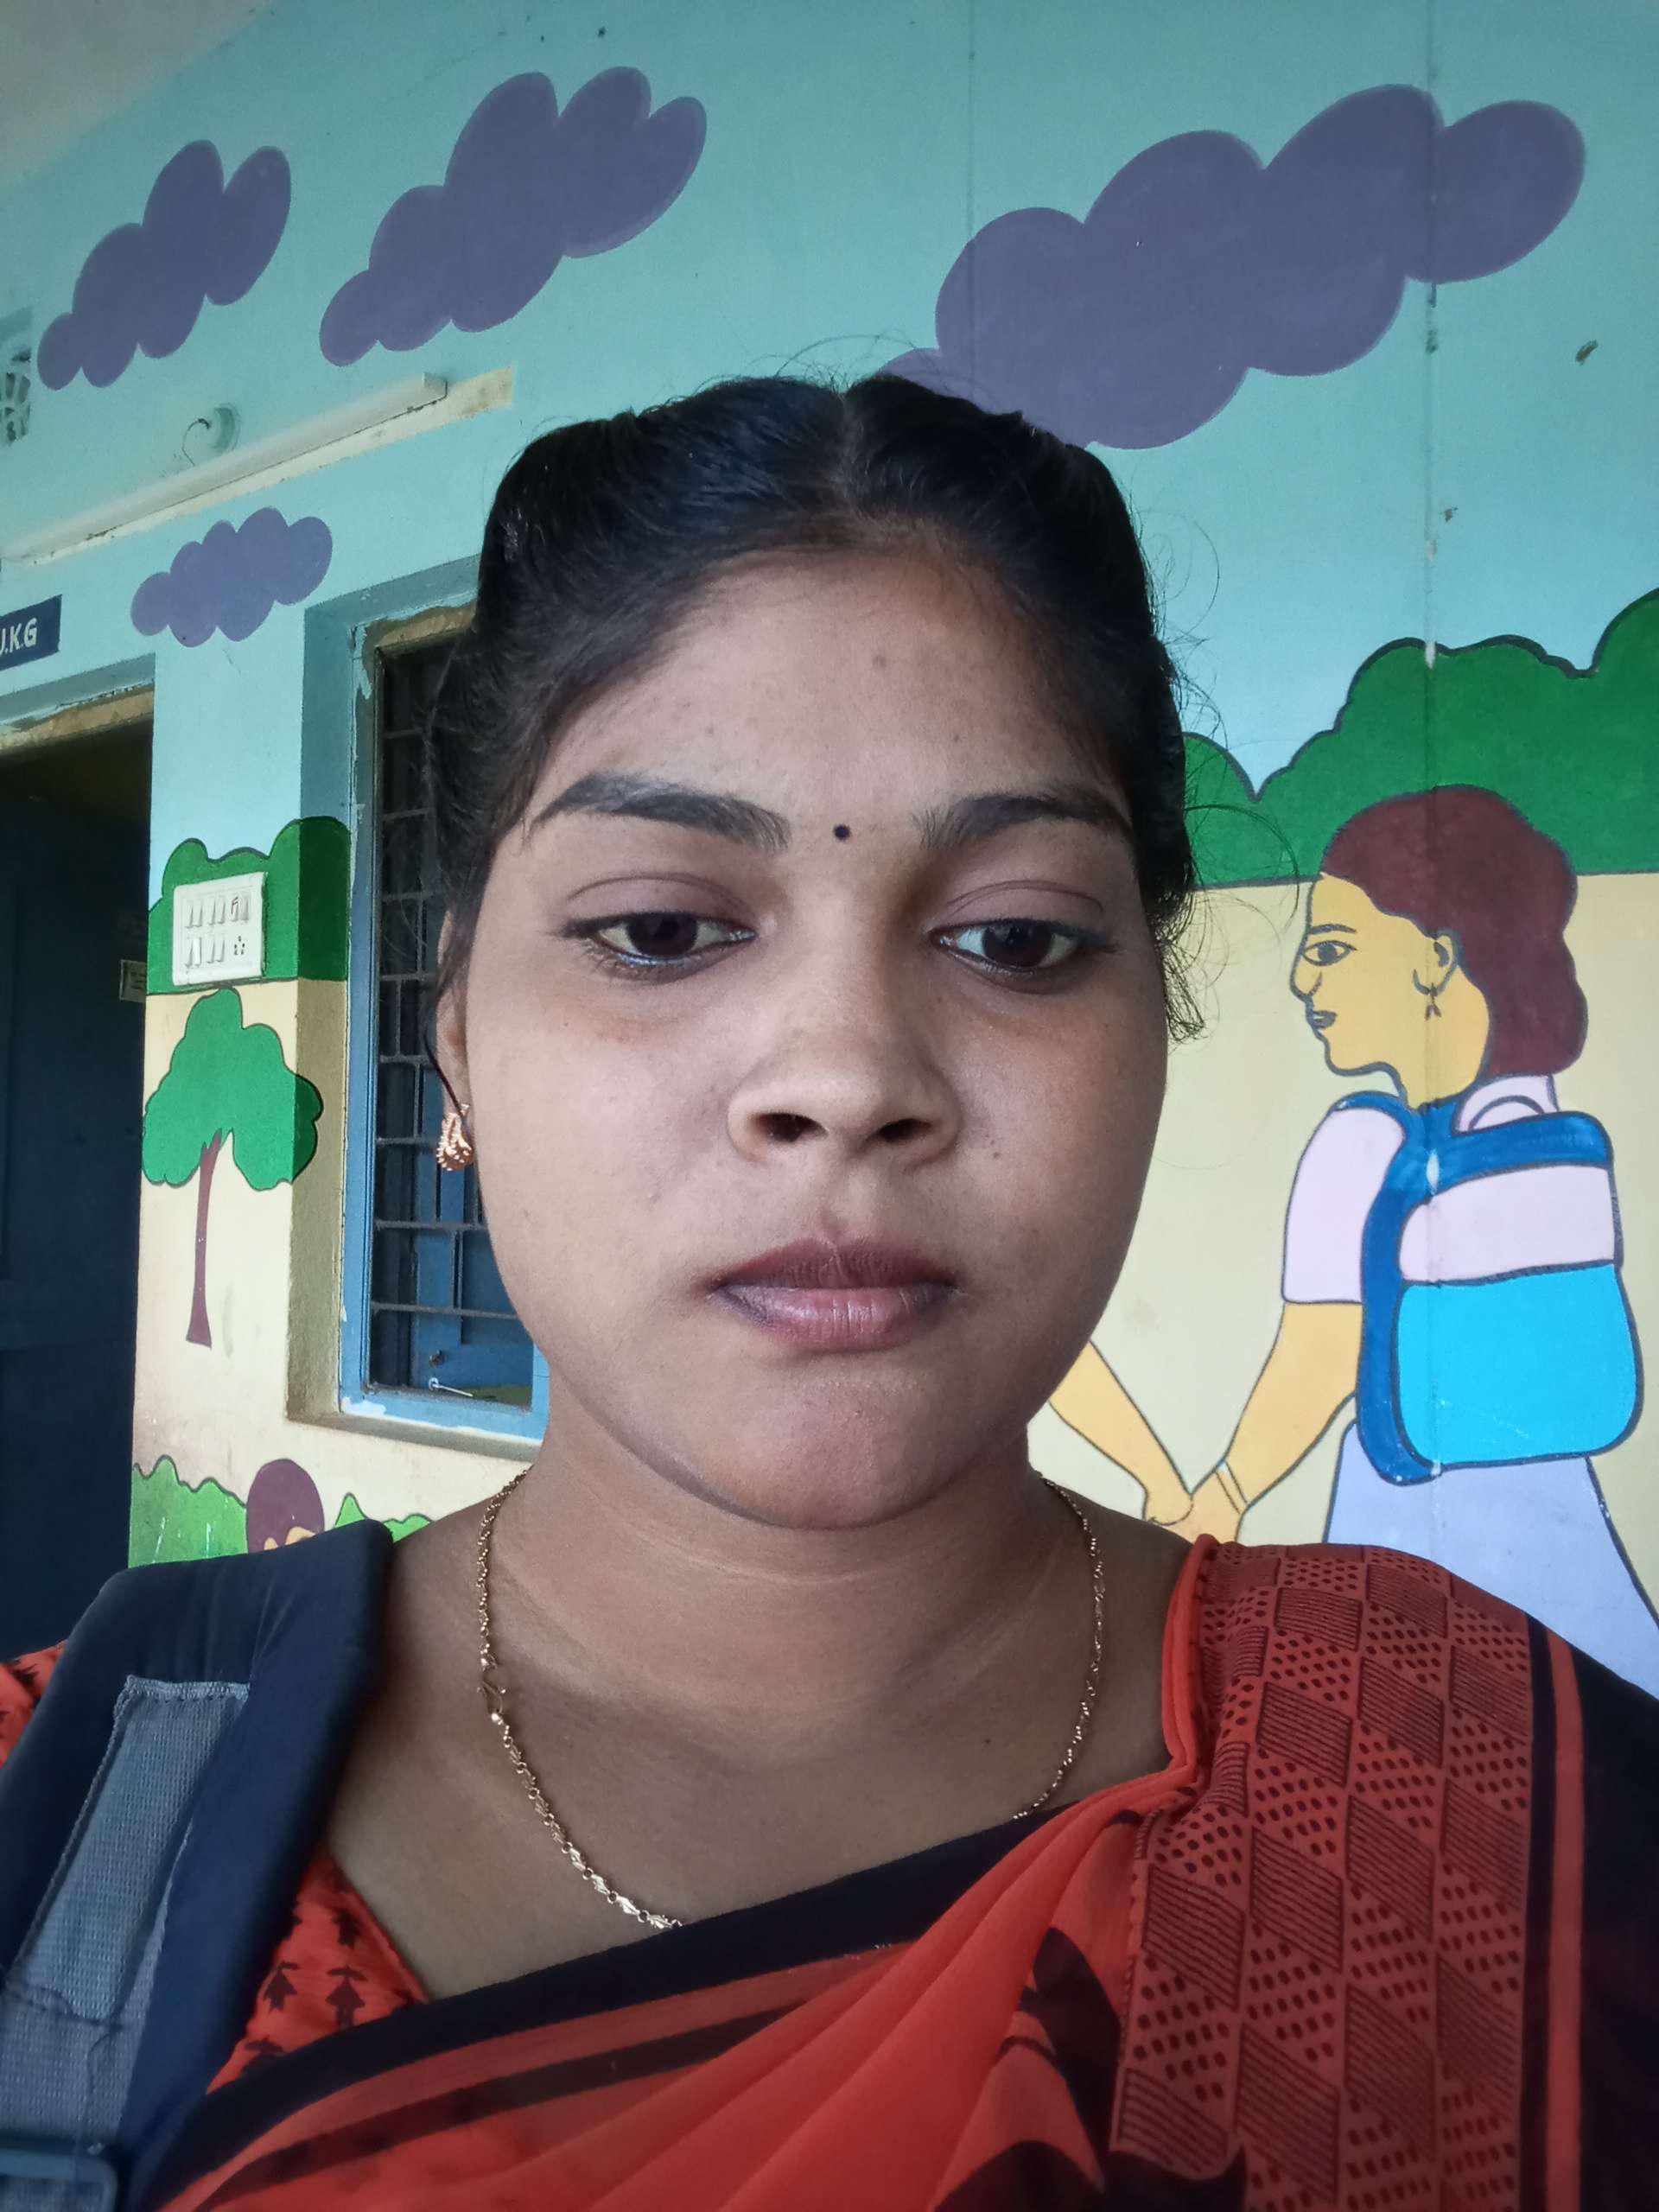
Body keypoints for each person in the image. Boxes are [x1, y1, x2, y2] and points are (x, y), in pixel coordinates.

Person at [3, 378, 1657, 2210]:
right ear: (454, 1035)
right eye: (660, 929)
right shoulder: (57, 1821)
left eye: (1015, 937)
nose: (848, 1075)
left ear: (1155, 1026)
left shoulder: (1474, 1787)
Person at [1169, 787, 1658, 1695]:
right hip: (1564, 1530)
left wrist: (1224, 1495)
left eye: (1331, 949)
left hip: (1398, 1525)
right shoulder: (1540, 1121)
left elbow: (1318, 1358)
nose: (1302, 981)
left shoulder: (1365, 1145)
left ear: (1434, 959)